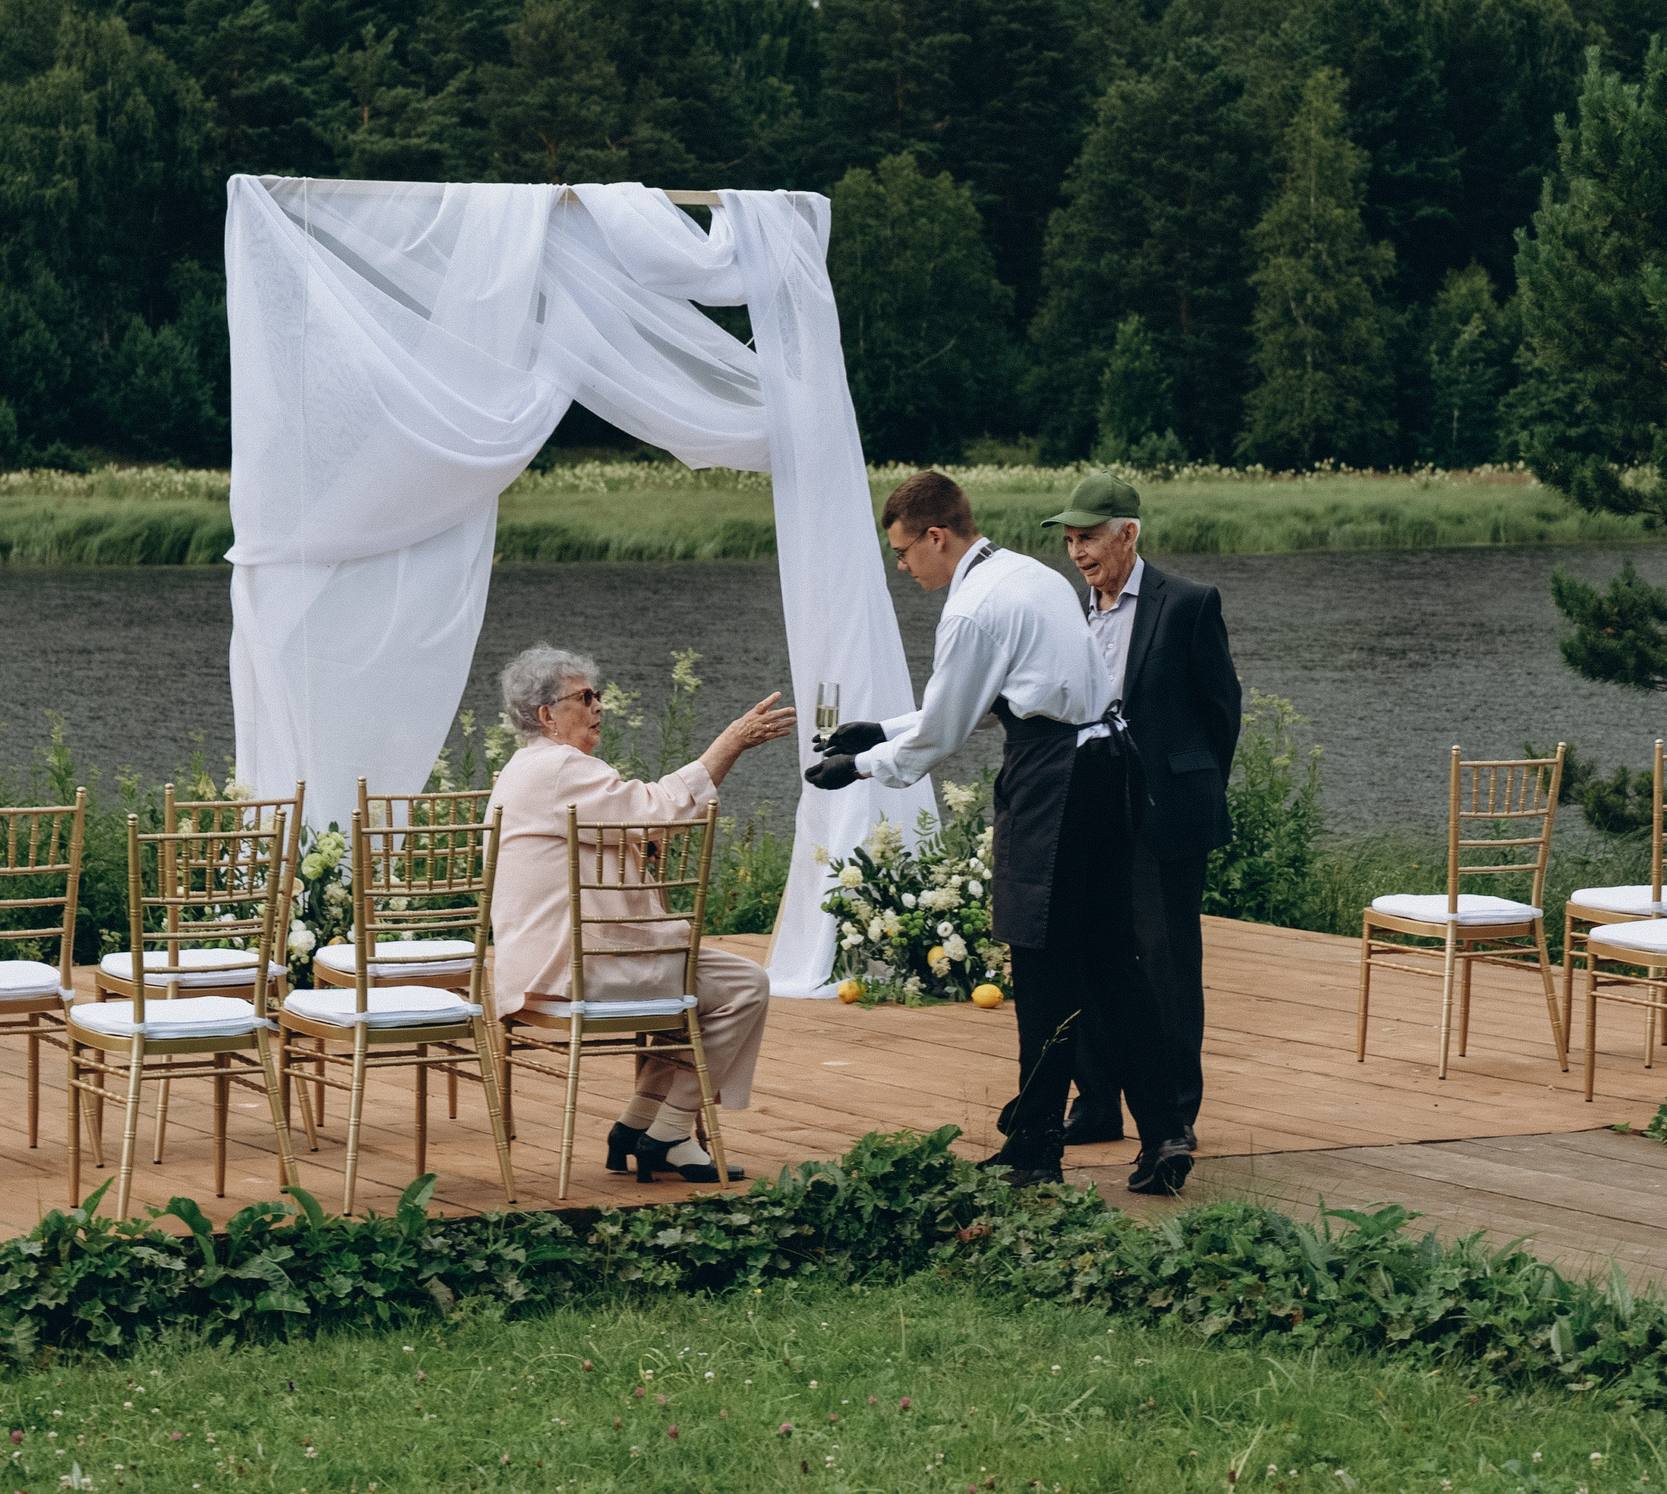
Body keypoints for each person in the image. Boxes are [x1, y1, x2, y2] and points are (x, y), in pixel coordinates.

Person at [806, 469, 1192, 1194]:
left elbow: (941, 734)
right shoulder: (1028, 574)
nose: (901, 566)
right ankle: (1166, 1129)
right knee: (1115, 960)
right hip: (1111, 766)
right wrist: (881, 726)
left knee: (1042, 963)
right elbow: (997, 696)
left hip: (1055, 783)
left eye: (903, 551)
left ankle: (1036, 1148)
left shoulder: (972, 610)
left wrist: (857, 764)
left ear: (936, 535)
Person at [488, 644, 797, 1183]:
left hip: (543, 960)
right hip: (580, 967)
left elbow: (625, 824)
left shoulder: (527, 767)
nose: (599, 706)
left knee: (699, 989)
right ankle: (672, 1130)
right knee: (745, 985)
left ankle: (636, 1125)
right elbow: (660, 809)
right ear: (547, 716)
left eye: (597, 695)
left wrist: (633, 847)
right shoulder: (561, 766)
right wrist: (731, 742)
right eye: (585, 697)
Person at [1044, 472, 1241, 1151]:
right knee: (1085, 954)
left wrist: (1184, 787)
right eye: (1069, 540)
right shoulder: (1070, 613)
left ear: (1128, 532)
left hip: (1165, 817)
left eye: (1089, 537)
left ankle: (1175, 1114)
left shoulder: (1188, 603)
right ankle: (1097, 1104)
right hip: (1088, 812)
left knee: (1166, 964)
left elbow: (1221, 716)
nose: (1078, 552)